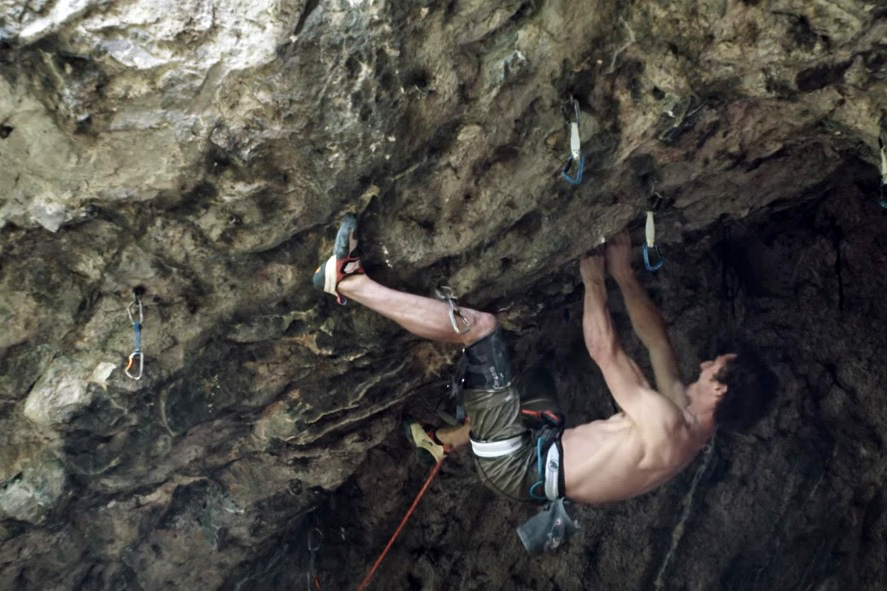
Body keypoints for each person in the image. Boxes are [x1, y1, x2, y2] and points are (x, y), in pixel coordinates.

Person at [314, 214, 777, 513]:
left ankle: (349, 282)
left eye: (718, 365)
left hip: (517, 464)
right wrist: (623, 273)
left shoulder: (666, 424)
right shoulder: (688, 423)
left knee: (484, 330)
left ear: (721, 389)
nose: (706, 361)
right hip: (543, 447)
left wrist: (593, 281)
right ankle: (446, 443)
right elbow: (657, 343)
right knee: (532, 380)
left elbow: (605, 353)